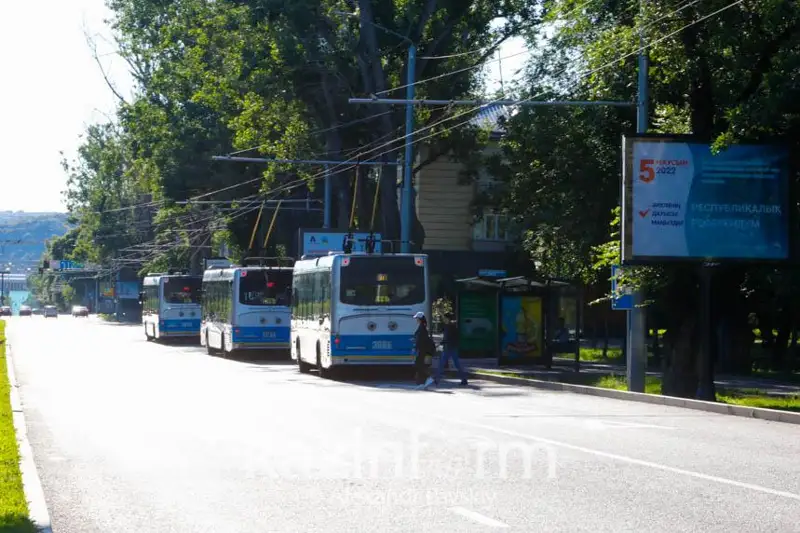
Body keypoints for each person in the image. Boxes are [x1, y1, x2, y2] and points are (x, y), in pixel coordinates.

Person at [435, 313, 468, 386]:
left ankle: (436, 379)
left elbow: (450, 338)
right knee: (455, 364)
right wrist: (442, 343)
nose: (443, 319)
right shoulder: (447, 326)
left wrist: (442, 343)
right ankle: (464, 379)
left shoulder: (451, 327)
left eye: (444, 318)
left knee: (442, 363)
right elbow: (446, 337)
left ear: (447, 318)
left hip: (449, 348)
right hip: (450, 347)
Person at [413, 311, 435, 389]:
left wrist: (416, 347)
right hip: (422, 349)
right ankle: (422, 383)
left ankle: (427, 378)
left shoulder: (422, 327)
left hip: (422, 349)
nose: (416, 320)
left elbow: (421, 339)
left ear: (420, 319)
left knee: (419, 364)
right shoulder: (422, 326)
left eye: (417, 318)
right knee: (420, 365)